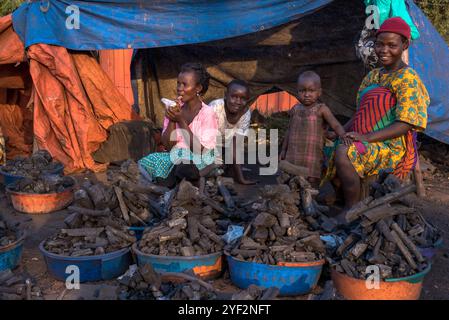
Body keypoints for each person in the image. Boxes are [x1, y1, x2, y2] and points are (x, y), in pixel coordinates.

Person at [326, 17, 430, 216]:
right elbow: (360, 114)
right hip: (364, 137)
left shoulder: (407, 79)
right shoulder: (373, 76)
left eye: (392, 45)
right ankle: (341, 195)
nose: (384, 50)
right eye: (379, 44)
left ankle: (353, 209)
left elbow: (405, 123)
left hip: (390, 145)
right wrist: (339, 132)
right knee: (326, 147)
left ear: (404, 45)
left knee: (345, 153)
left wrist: (366, 138)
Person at [138, 63, 218, 187]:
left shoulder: (208, 113)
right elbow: (168, 146)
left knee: (186, 166)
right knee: (147, 161)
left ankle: (177, 179)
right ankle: (178, 179)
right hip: (175, 156)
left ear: (198, 88)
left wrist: (181, 121)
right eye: (178, 83)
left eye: (184, 84)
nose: (179, 88)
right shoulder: (174, 109)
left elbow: (200, 150)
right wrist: (172, 120)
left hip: (199, 158)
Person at [280, 71, 347, 187]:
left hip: (313, 155)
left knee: (312, 180)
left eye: (311, 91)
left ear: (319, 92)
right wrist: (283, 151)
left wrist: (343, 136)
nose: (306, 94)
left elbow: (335, 125)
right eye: (302, 91)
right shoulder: (295, 109)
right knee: (291, 179)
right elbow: (289, 130)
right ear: (297, 93)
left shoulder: (322, 109)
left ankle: (311, 203)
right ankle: (293, 202)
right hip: (293, 154)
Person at [209, 80, 256, 185]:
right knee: (212, 172)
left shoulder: (245, 113)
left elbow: (236, 146)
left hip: (227, 147)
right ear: (226, 95)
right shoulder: (215, 107)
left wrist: (241, 178)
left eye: (243, 98)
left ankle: (224, 167)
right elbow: (207, 140)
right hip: (207, 146)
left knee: (231, 173)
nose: (238, 102)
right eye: (234, 97)